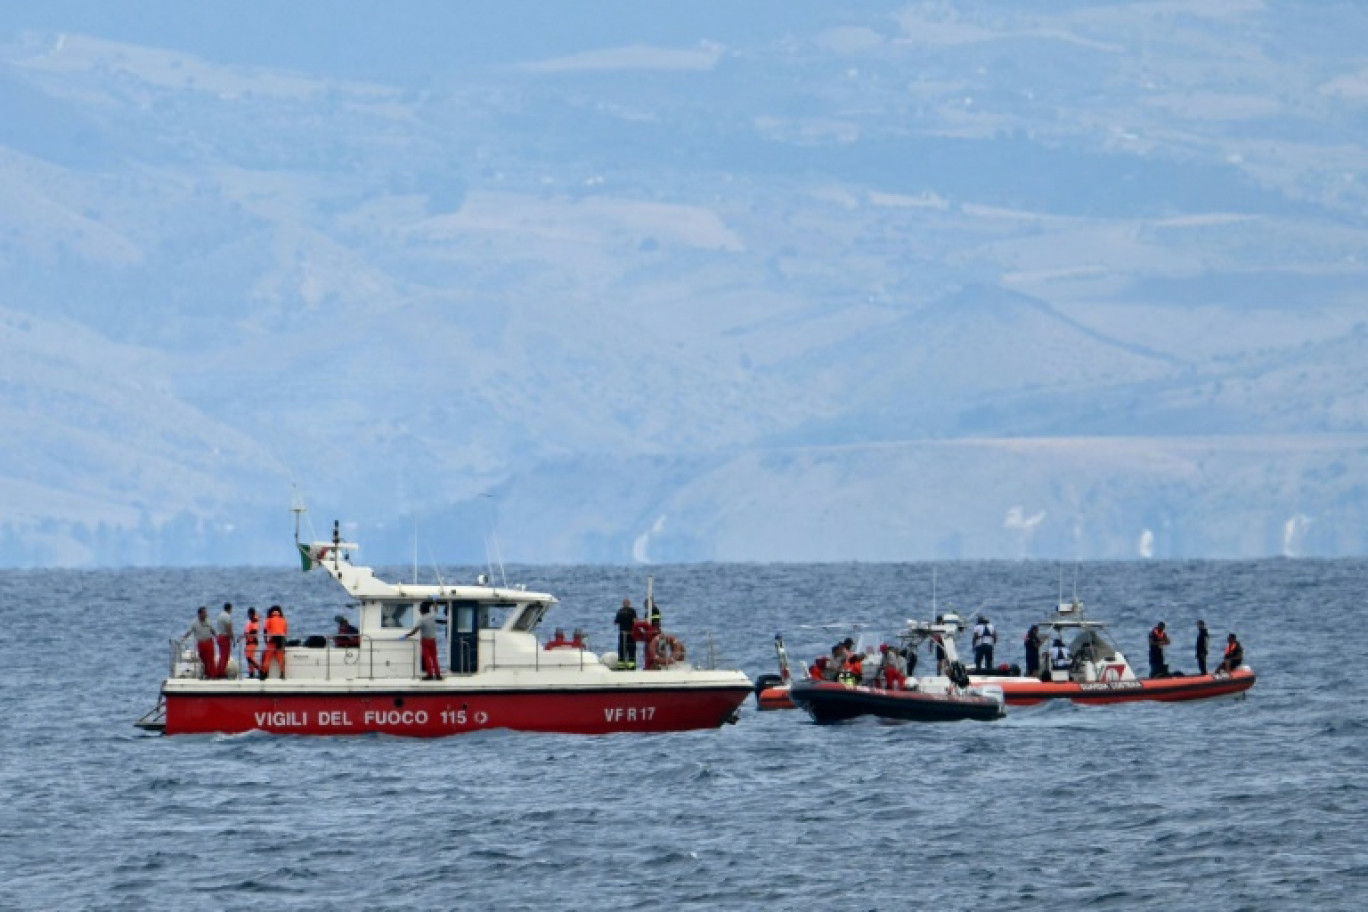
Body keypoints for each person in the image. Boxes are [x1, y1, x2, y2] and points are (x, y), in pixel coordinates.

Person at [405, 601, 442, 680]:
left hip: (425, 641)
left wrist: (407, 635)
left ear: (422, 610)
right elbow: (436, 609)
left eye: (420, 610)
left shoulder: (421, 620)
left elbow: (414, 631)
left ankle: (430, 675)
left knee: (427, 658)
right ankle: (438, 675)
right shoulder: (432, 615)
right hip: (433, 640)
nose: (419, 611)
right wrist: (435, 601)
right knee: (434, 658)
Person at [183, 606, 216, 678]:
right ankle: (206, 674)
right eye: (204, 613)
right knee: (203, 659)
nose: (206, 614)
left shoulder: (208, 621)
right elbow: (189, 631)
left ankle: (212, 676)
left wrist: (216, 636)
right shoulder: (194, 623)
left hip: (209, 642)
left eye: (206, 613)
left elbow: (212, 630)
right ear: (200, 614)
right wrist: (183, 638)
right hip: (201, 643)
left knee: (210, 659)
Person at [261, 605, 288, 680]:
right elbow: (285, 632)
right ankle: (282, 674)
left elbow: (265, 631)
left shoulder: (269, 620)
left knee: (268, 658)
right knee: (281, 659)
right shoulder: (283, 620)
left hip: (272, 641)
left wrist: (266, 641)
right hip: (281, 641)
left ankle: (264, 674)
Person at [213, 602, 234, 678]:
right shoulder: (227, 616)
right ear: (229, 608)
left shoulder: (220, 615)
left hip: (219, 636)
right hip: (225, 637)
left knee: (222, 655)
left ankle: (218, 671)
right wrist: (232, 637)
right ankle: (222, 673)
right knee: (225, 656)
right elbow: (229, 628)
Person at [243, 607, 263, 679]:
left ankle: (261, 670)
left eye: (249, 614)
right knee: (249, 658)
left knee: (250, 658)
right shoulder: (250, 622)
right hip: (249, 642)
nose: (248, 615)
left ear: (252, 614)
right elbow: (247, 632)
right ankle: (251, 673)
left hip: (252, 642)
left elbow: (254, 631)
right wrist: (242, 637)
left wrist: (247, 635)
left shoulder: (255, 621)